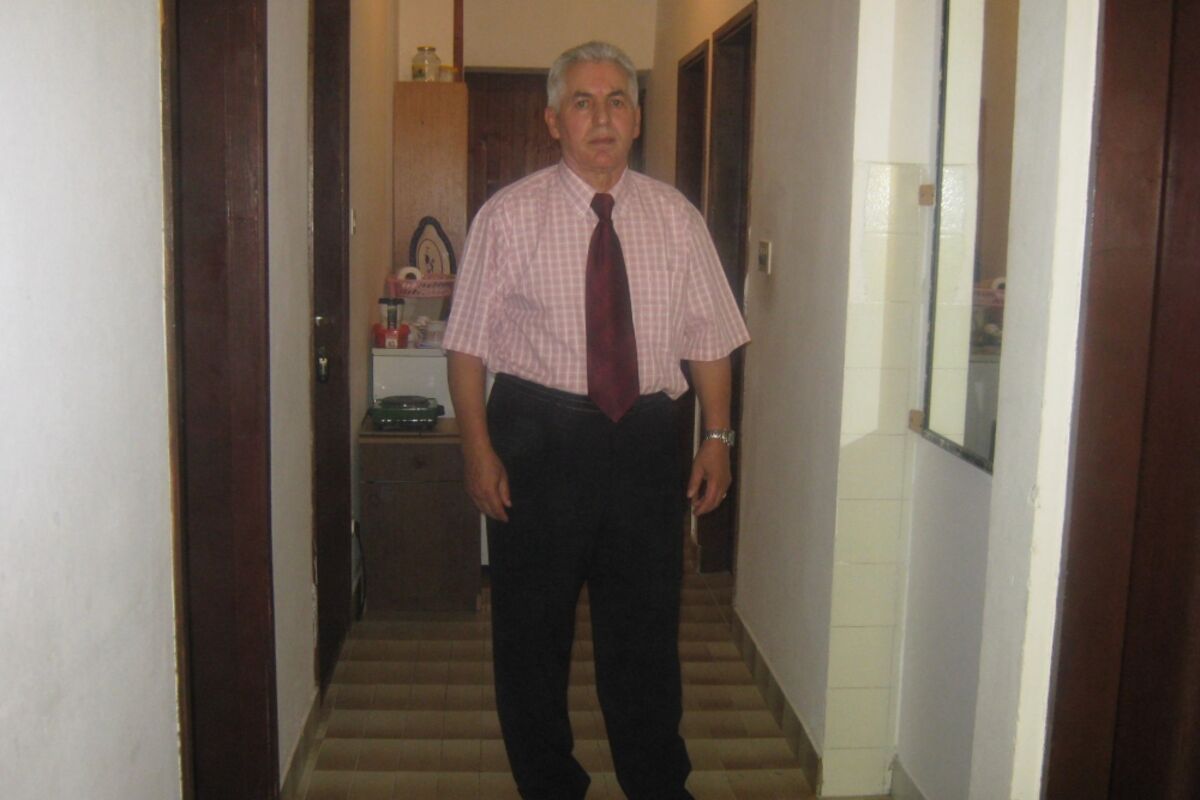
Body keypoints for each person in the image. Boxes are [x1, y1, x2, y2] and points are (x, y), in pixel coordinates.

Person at [443, 40, 750, 800]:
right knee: (531, 634)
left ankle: (657, 783)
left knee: (645, 632)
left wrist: (717, 436)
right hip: (537, 438)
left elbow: (709, 336)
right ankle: (549, 784)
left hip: (647, 440)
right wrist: (477, 450)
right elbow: (467, 345)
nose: (602, 117)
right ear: (554, 120)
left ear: (637, 118)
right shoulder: (507, 217)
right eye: (582, 102)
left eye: (617, 101)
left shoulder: (677, 218)